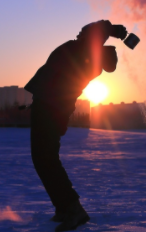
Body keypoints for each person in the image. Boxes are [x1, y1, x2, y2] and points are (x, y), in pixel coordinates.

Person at [24, 20, 128, 231]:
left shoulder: (87, 53)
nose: (81, 31)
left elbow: (98, 28)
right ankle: (64, 207)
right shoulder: (82, 51)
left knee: (46, 160)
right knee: (44, 159)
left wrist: (115, 30)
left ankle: (73, 209)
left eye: (85, 32)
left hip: (51, 109)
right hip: (48, 106)